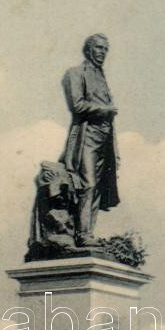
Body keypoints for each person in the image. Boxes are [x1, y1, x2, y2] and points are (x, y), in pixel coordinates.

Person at [60, 34, 120, 247]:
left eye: (105, 49)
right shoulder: (75, 73)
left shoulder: (102, 77)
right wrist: (105, 110)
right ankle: (82, 234)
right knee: (88, 184)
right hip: (86, 136)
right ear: (88, 50)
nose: (103, 52)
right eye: (99, 48)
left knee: (98, 187)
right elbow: (77, 105)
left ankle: (88, 233)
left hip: (105, 138)